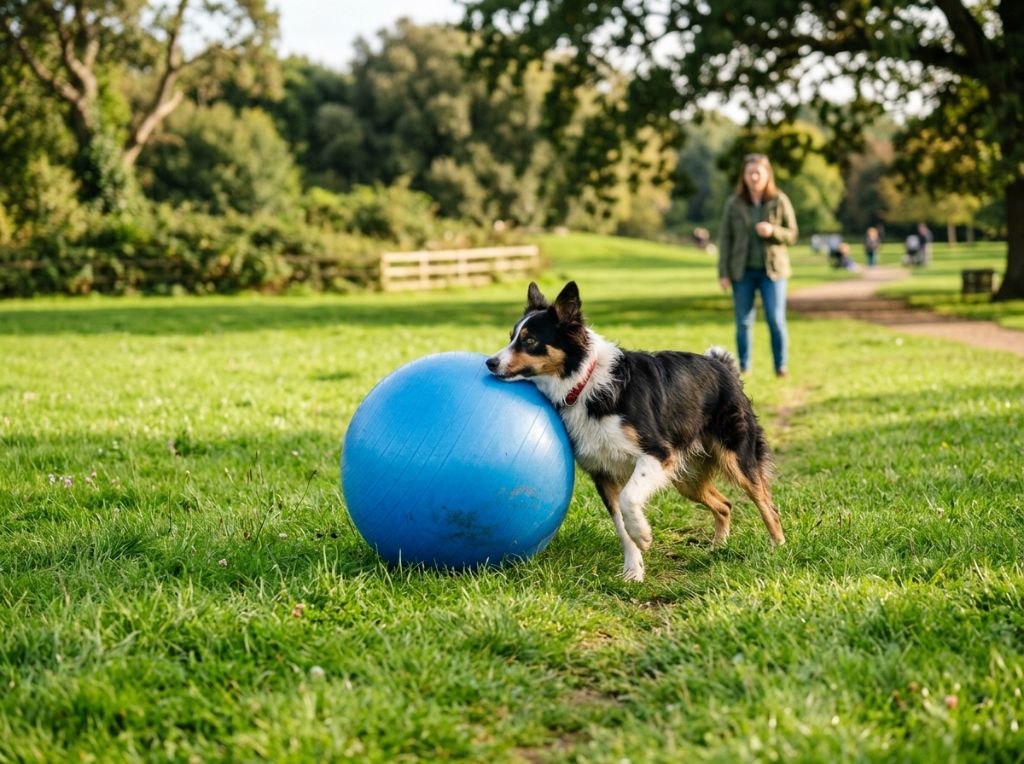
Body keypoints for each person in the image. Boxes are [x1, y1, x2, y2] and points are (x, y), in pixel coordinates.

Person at [717, 153, 798, 378]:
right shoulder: (733, 204)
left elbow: (792, 234)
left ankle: (780, 366)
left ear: (767, 175)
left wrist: (773, 231)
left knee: (775, 319)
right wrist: (723, 273)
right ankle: (743, 367)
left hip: (773, 272)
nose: (753, 177)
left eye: (758, 173)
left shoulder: (779, 200)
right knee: (743, 322)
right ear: (743, 176)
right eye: (749, 173)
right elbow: (725, 240)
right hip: (741, 271)